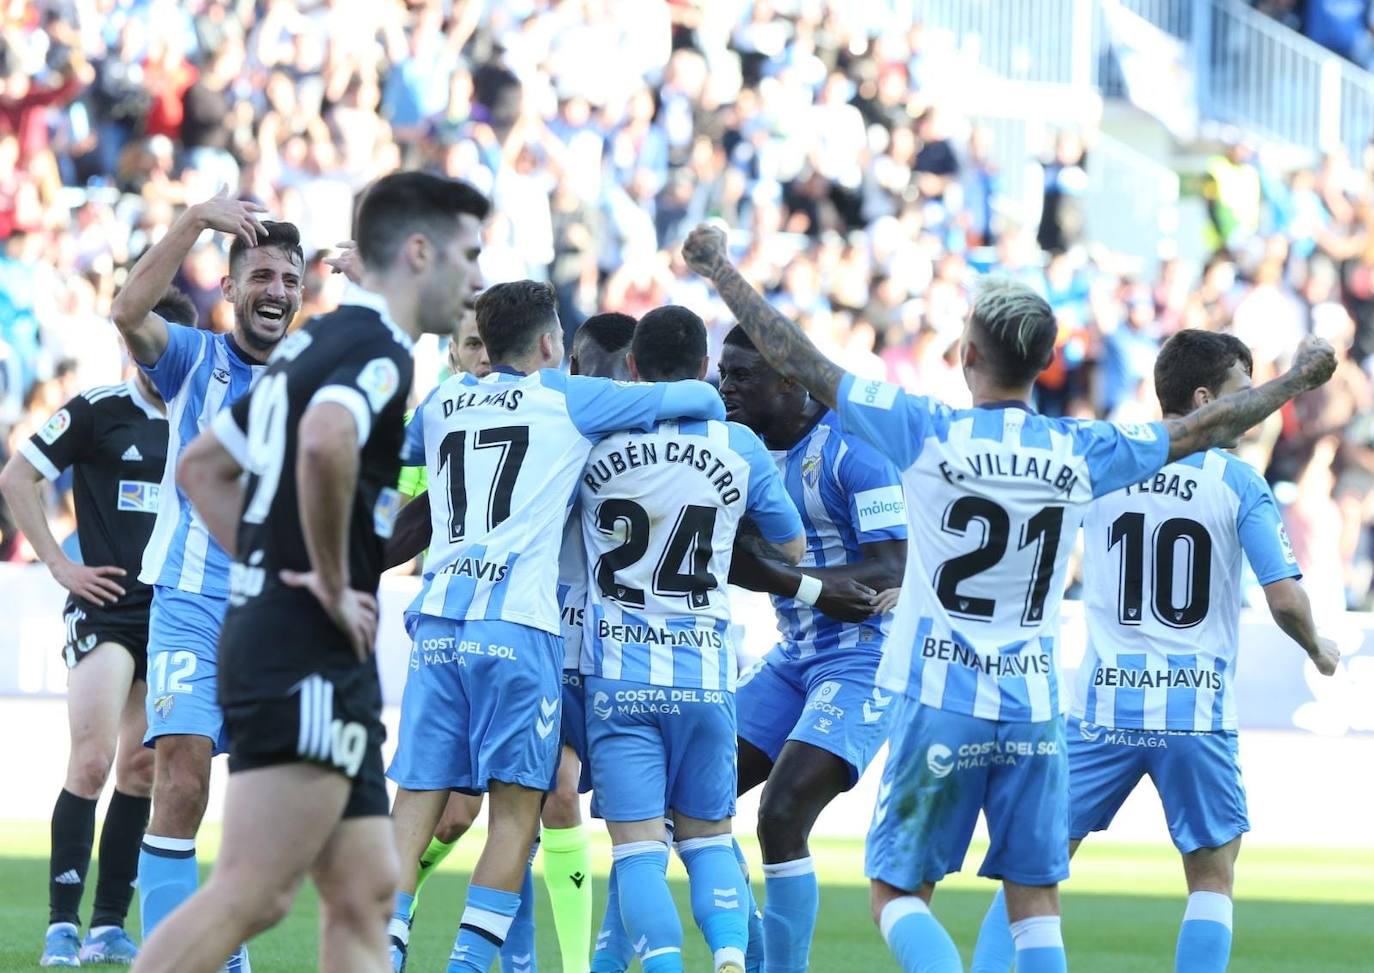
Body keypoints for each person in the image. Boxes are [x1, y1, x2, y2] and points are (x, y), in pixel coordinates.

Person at [680, 222, 1337, 973]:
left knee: (897, 893)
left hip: (942, 696)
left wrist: (720, 270)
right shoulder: (1081, 450)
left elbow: (798, 357)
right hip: (1033, 705)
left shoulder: (927, 431)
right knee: (1034, 902)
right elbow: (1206, 426)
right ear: (1045, 364)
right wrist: (1297, 380)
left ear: (965, 358)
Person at [131, 170, 490, 973]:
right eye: (469, 256)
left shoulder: (316, 343)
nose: (476, 280)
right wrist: (325, 578)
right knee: (254, 893)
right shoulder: (373, 351)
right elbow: (327, 441)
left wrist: (272, 564)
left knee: (365, 886)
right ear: (421, 253)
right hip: (302, 649)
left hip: (301, 644)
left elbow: (201, 467)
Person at [969, 330, 1341, 973]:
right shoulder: (1236, 481)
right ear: (1204, 399)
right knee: (1212, 879)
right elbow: (1284, 600)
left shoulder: (1104, 460)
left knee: (1033, 869)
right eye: (1242, 396)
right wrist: (1319, 648)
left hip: (1100, 709)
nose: (1252, 411)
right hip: (1195, 713)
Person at [386, 280, 727, 973]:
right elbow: (696, 397)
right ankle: (467, 967)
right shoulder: (568, 398)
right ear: (550, 344)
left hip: (438, 622)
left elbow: (406, 470)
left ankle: (379, 954)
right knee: (519, 811)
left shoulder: (444, 397)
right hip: (518, 627)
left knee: (414, 804)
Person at [389, 313, 637, 973]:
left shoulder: (572, 415)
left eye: (483, 344)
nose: (478, 359)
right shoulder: (464, 419)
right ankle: (405, 930)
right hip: (506, 633)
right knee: (463, 814)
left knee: (546, 795)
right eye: (466, 346)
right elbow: (415, 515)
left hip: (579, 642)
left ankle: (567, 964)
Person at [109, 190, 304, 971]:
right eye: (260, 275)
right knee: (180, 774)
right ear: (228, 288)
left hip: (275, 620)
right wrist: (193, 219)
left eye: (288, 280)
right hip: (190, 603)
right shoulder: (194, 357)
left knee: (265, 812)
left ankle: (225, 951)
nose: (276, 292)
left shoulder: (316, 377)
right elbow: (126, 310)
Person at [579, 305, 804, 973]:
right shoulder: (740, 446)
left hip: (619, 677)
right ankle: (731, 952)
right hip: (704, 675)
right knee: (709, 840)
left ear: (634, 368)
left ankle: (665, 965)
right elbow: (790, 545)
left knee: (638, 849)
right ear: (704, 370)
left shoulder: (597, 445)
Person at [0, 290, 192, 967]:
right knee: (91, 759)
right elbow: (18, 475)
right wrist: (59, 563)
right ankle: (61, 925)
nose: (148, 357)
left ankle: (108, 923)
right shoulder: (97, 410)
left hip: (173, 611)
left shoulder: (205, 420)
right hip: (104, 604)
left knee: (142, 767)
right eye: (139, 343)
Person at [717, 324, 907, 973]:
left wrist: (785, 578)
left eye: (742, 376)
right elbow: (735, 562)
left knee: (781, 809)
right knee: (689, 799)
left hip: (866, 656)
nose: (727, 387)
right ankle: (760, 955)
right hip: (794, 655)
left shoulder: (856, 448)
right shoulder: (741, 451)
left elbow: (890, 568)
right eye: (724, 372)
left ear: (790, 382)